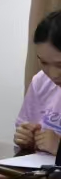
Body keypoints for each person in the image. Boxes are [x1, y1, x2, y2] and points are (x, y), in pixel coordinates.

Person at [15, 10, 61, 155]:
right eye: (44, 62)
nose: (53, 74)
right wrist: (26, 138)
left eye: (60, 65)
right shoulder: (41, 82)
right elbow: (25, 127)